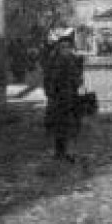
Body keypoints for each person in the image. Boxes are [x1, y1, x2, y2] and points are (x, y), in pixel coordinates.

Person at [42, 29, 85, 162]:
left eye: (68, 47)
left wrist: (79, 77)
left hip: (70, 98)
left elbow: (78, 79)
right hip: (58, 98)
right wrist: (50, 93)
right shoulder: (54, 60)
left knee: (70, 126)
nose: (66, 49)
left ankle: (67, 152)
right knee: (60, 126)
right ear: (59, 47)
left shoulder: (72, 59)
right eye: (63, 47)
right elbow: (48, 79)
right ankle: (59, 152)